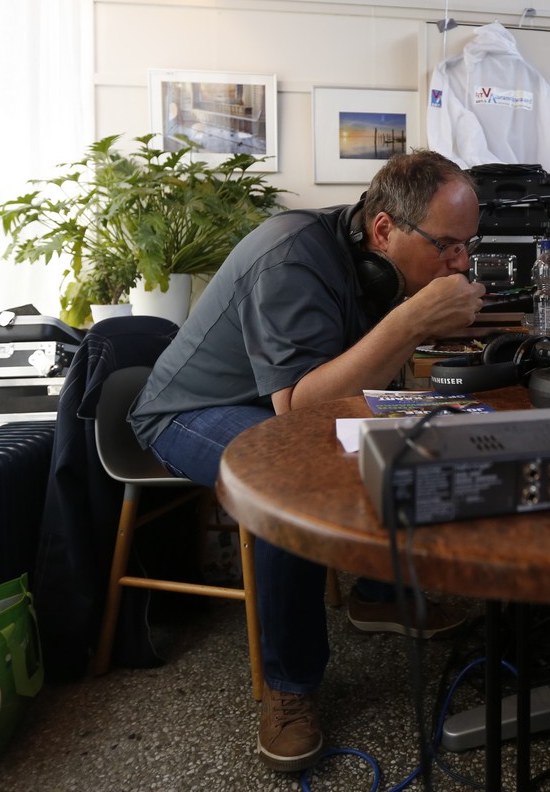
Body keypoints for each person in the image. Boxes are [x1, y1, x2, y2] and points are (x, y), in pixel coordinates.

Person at [128, 150, 488, 771]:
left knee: (403, 431)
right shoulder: (291, 257)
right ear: (383, 229)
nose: (460, 263)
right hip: (188, 411)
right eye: (447, 246)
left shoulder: (377, 262)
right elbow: (299, 413)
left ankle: (378, 594)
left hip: (269, 404)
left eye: (467, 246)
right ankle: (289, 685)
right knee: (290, 476)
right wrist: (411, 322)